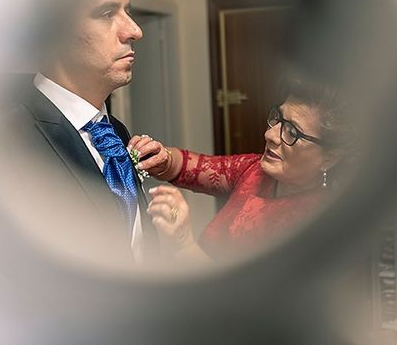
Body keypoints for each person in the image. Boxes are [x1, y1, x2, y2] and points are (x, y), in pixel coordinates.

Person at [0, 0, 158, 265]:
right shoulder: (6, 142)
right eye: (107, 13)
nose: (135, 31)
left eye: (127, 12)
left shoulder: (114, 131)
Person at [130, 78, 360, 262]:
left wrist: (183, 244)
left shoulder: (322, 226)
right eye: (277, 119)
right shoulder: (255, 171)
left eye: (292, 133)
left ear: (330, 157)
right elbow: (189, 166)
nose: (269, 135)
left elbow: (244, 302)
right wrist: (163, 158)